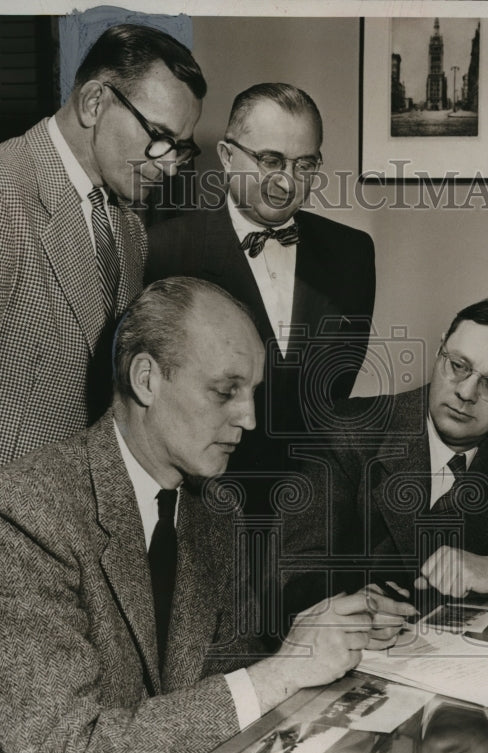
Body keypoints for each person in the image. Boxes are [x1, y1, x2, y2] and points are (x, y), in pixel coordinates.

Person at [0, 278, 414, 753]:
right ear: (146, 379)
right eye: (226, 392)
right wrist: (285, 670)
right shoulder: (20, 513)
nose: (250, 419)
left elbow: (231, 661)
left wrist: (329, 631)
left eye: (251, 392)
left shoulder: (213, 509)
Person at [0, 24, 208, 661]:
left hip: (57, 545)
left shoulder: (125, 220)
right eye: (158, 139)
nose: (168, 164)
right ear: (94, 103)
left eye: (181, 149)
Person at [280, 296, 488, 621]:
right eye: (458, 366)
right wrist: (360, 611)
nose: (465, 392)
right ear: (439, 351)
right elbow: (291, 573)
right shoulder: (351, 430)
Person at [145, 82, 376, 511]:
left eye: (305, 164)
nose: (287, 182)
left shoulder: (353, 253)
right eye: (271, 160)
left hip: (316, 507)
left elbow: (335, 391)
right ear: (228, 157)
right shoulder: (164, 251)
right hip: (203, 506)